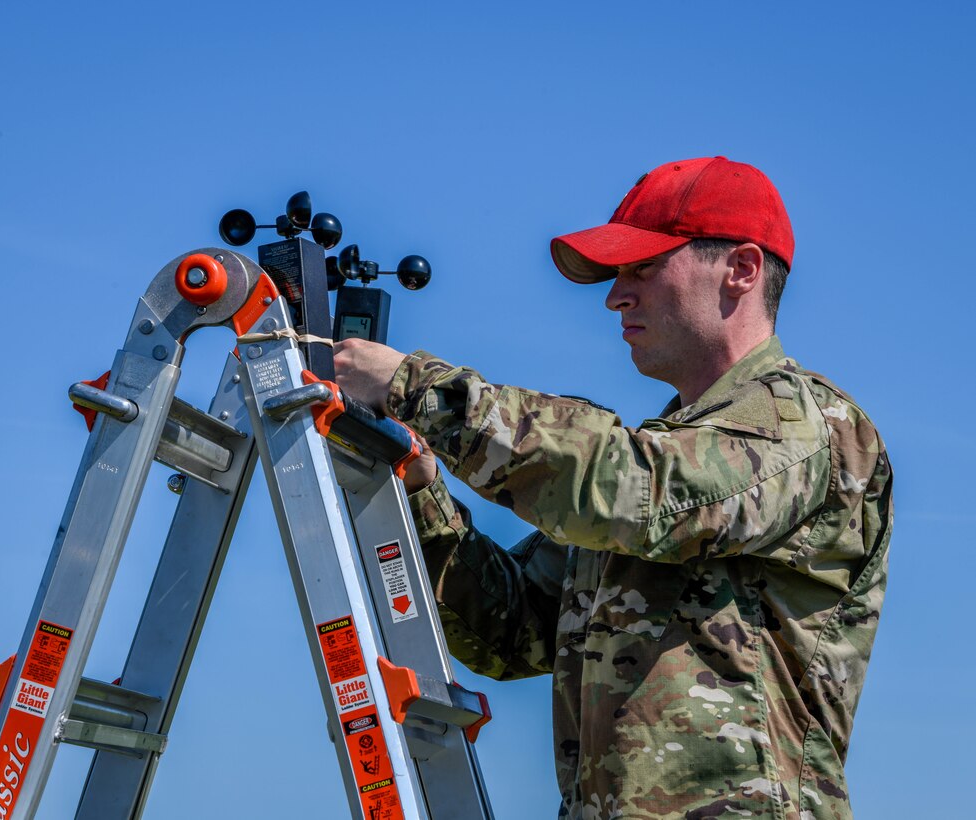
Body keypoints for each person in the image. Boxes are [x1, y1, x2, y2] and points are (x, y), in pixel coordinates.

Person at [333, 156, 892, 820]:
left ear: (740, 269)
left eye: (642, 268)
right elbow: (508, 633)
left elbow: (639, 492)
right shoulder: (659, 462)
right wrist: (422, 487)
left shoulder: (807, 427)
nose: (614, 296)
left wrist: (420, 389)